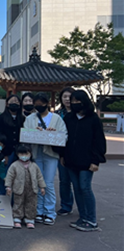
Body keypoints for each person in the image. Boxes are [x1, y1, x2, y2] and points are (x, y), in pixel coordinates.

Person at [62, 90, 107, 232]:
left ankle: (91, 220)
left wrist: (96, 160)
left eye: (77, 101)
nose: (74, 103)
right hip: (71, 160)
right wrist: (62, 155)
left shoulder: (93, 119)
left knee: (85, 188)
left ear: (84, 101)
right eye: (72, 100)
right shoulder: (68, 118)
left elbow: (99, 141)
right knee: (76, 188)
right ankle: (83, 217)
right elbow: (63, 138)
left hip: (87, 161)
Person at [23, 93, 67, 226]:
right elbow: (25, 134)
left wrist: (53, 134)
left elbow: (64, 135)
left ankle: (50, 212)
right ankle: (39, 210)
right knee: (37, 183)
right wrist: (33, 131)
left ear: (47, 103)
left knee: (48, 183)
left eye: (41, 103)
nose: (39, 106)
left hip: (51, 154)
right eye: (36, 103)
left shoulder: (56, 118)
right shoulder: (30, 118)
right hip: (36, 153)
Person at [5, 145, 46, 229]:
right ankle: (17, 218)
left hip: (32, 188)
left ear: (30, 154)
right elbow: (9, 176)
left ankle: (30, 219)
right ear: (18, 154)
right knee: (18, 203)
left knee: (31, 204)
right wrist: (8, 187)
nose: (24, 156)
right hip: (19, 188)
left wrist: (42, 187)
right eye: (21, 154)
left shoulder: (34, 165)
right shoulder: (14, 165)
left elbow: (39, 177)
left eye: (26, 153)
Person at [56, 87, 75, 216]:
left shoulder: (79, 113)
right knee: (64, 180)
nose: (67, 99)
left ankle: (83, 206)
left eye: (70, 96)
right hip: (61, 151)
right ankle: (66, 205)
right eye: (65, 97)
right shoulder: (57, 114)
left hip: (76, 151)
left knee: (78, 182)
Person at [0, 94, 26, 165]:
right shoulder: (1, 118)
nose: (14, 103)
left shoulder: (22, 118)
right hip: (6, 150)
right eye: (12, 101)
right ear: (7, 104)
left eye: (17, 102)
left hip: (20, 151)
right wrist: (3, 153)